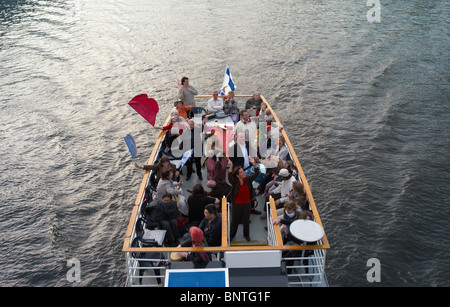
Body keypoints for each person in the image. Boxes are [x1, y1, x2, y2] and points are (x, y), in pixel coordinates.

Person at [227, 157, 259, 241]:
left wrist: (254, 164)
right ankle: (232, 235)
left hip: (246, 204)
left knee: (246, 221)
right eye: (241, 172)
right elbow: (230, 178)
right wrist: (231, 166)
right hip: (236, 204)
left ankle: (246, 235)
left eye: (243, 171)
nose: (244, 173)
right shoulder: (235, 182)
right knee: (234, 221)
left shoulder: (247, 179)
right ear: (237, 175)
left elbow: (256, 174)